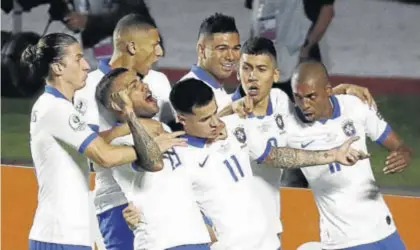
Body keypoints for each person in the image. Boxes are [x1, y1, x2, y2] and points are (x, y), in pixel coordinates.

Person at [165, 78, 366, 250]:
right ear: (181, 118)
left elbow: (276, 156)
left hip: (268, 244)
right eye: (205, 119)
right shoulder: (178, 158)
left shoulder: (234, 128)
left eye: (215, 113)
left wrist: (332, 155)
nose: (216, 123)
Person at [23, 33, 163, 250]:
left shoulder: (61, 106)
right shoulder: (55, 108)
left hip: (66, 235)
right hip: (58, 236)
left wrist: (127, 128)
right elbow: (104, 156)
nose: (86, 66)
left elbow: (98, 142)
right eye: (78, 59)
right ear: (58, 68)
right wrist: (150, 148)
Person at [288, 60, 411, 250]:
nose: (304, 104)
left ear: (328, 91)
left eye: (311, 96)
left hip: (383, 228)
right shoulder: (289, 126)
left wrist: (403, 154)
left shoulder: (355, 106)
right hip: (344, 240)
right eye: (298, 97)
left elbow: (400, 145)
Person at [73, 13, 168, 250]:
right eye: (155, 45)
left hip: (162, 199)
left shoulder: (160, 82)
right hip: (117, 203)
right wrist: (132, 125)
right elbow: (85, 149)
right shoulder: (87, 87)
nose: (160, 53)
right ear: (133, 46)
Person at [95, 68, 211, 250]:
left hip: (195, 240)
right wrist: (129, 113)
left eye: (141, 81)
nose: (145, 86)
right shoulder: (120, 143)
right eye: (134, 86)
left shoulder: (163, 128)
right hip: (161, 244)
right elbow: (154, 163)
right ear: (117, 104)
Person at [179, 13, 241, 110]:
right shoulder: (189, 92)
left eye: (235, 49)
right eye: (222, 49)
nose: (231, 57)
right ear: (201, 50)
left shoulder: (214, 87)